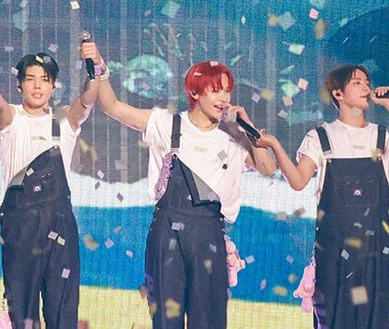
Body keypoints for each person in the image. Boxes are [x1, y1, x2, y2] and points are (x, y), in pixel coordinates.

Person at [97, 59, 281, 328]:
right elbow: (112, 106)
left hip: (209, 235)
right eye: (215, 90)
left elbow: (267, 167)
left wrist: (246, 127)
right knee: (166, 317)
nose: (223, 98)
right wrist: (100, 69)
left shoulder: (232, 139)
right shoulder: (167, 124)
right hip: (167, 231)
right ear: (194, 92)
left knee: (208, 320)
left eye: (227, 91)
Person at [280, 65, 389, 329]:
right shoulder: (320, 137)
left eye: (367, 82)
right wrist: (276, 147)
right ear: (338, 94)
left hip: (375, 253)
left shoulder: (382, 137)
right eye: (357, 83)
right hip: (334, 252)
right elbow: (298, 181)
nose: (366, 87)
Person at [0, 42, 104, 329]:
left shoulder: (63, 121)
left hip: (60, 224)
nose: (37, 86)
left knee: (63, 309)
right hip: (20, 225)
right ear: (19, 85)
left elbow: (87, 100)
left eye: (44, 80)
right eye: (30, 79)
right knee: (23, 312)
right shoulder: (10, 118)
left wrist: (95, 67)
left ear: (53, 86)